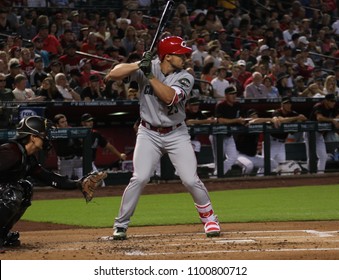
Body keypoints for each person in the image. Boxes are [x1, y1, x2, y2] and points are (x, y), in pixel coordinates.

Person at [106, 36, 221, 240]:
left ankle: (210, 219)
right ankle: (121, 224)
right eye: (180, 54)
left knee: (190, 179)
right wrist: (137, 64)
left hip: (176, 133)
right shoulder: (147, 67)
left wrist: (149, 75)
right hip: (148, 132)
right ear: (167, 56)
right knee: (139, 177)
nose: (185, 57)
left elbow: (169, 97)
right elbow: (112, 75)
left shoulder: (186, 76)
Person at [0, 116, 101, 250]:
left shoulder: (27, 158)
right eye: (44, 135)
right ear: (33, 137)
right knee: (11, 194)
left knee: (26, 188)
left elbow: (48, 177)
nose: (47, 138)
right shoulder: (11, 152)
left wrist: (78, 184)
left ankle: (2, 235)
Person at [263, 96, 308, 171]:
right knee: (266, 166)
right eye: (286, 104)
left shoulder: (293, 113)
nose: (288, 105)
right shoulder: (276, 112)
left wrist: (301, 119)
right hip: (271, 142)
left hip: (282, 143)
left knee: (282, 166)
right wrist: (296, 118)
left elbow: (303, 119)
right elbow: (281, 120)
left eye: (289, 103)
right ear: (282, 105)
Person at [210, 86, 247, 176]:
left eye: (235, 94)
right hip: (218, 135)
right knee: (218, 159)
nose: (234, 96)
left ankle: (217, 174)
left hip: (228, 135)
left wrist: (244, 122)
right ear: (226, 95)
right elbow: (220, 120)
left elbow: (242, 117)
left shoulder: (237, 105)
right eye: (231, 94)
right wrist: (236, 120)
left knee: (233, 157)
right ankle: (218, 175)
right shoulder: (221, 105)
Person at [80, 113, 127, 178]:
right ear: (83, 123)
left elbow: (108, 146)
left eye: (91, 121)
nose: (91, 123)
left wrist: (119, 155)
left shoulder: (96, 134)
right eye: (88, 121)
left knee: (99, 182)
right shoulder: (77, 133)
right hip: (78, 162)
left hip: (89, 163)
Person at [235, 109, 279, 175]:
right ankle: (244, 181)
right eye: (252, 115)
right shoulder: (245, 123)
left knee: (273, 164)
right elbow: (254, 121)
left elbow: (269, 122)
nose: (255, 116)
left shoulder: (259, 125)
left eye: (256, 115)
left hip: (253, 156)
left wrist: (275, 119)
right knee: (249, 166)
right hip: (240, 155)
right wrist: (270, 119)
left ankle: (260, 180)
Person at [305, 93, 339, 173]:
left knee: (323, 156)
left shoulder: (333, 107)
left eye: (334, 101)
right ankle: (310, 174)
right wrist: (332, 120)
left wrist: (336, 119)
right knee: (311, 156)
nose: (333, 103)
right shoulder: (319, 105)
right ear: (326, 101)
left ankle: (320, 174)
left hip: (320, 134)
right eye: (331, 101)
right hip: (310, 133)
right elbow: (319, 118)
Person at [53, 114, 83, 180]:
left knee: (84, 180)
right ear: (57, 125)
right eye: (62, 122)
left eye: (65, 121)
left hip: (76, 159)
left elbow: (80, 143)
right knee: (64, 183)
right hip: (64, 161)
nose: (65, 123)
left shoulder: (71, 130)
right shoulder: (54, 133)